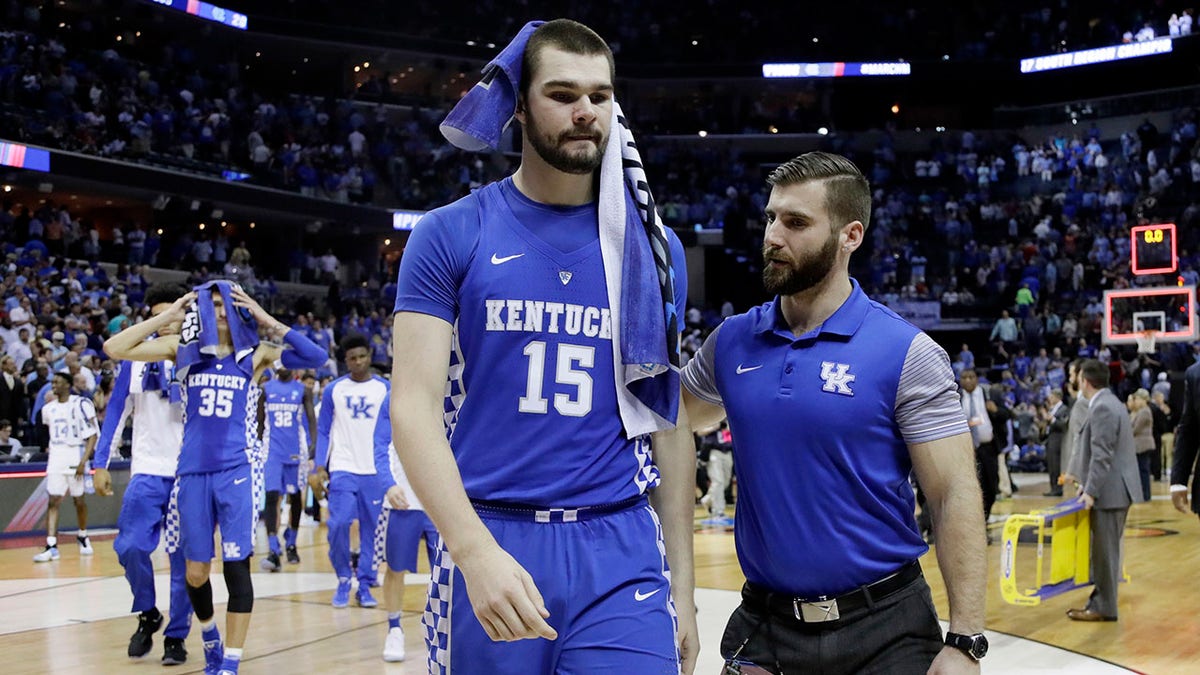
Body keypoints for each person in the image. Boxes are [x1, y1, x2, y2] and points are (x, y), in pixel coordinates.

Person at [390, 18, 698, 674]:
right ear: (519, 109)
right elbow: (412, 407)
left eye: (600, 95)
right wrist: (471, 550)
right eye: (562, 94)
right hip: (493, 531)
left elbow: (667, 423)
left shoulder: (654, 247)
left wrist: (687, 594)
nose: (585, 111)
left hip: (620, 544)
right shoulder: (449, 233)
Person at [680, 152, 988, 673]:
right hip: (765, 624)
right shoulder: (730, 342)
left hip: (886, 628)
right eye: (771, 218)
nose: (773, 236)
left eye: (796, 222)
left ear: (851, 235)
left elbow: (952, 492)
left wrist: (965, 641)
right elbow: (672, 418)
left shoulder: (906, 352)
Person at [104, 280, 327, 675]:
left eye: (228, 305)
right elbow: (115, 348)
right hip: (190, 473)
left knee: (236, 565)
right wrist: (170, 316)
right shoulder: (182, 349)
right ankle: (208, 634)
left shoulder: (255, 354)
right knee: (195, 571)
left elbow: (317, 355)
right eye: (215, 304)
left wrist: (266, 318)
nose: (221, 311)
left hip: (236, 471)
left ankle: (231, 662)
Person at [93, 282, 192, 664]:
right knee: (130, 546)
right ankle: (148, 612)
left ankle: (176, 636)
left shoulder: (204, 355)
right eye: (158, 318)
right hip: (148, 469)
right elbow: (117, 411)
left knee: (184, 559)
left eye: (173, 316)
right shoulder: (135, 359)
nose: (166, 324)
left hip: (191, 474)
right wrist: (101, 462)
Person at [312, 334, 389, 608]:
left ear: (370, 355)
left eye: (362, 356)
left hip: (375, 470)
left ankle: (365, 585)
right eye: (352, 358)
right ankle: (344, 578)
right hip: (343, 467)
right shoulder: (334, 389)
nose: (358, 362)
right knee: (338, 524)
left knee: (372, 533)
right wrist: (319, 465)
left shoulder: (384, 389)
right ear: (345, 361)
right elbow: (322, 430)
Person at [1063, 359, 1142, 621]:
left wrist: (1091, 492)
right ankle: (1100, 601)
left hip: (1110, 493)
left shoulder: (1103, 408)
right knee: (1105, 553)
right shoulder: (1112, 402)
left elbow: (1102, 455)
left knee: (1105, 554)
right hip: (1116, 490)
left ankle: (1104, 607)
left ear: (1084, 380)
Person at [372, 390, 440, 662]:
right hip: (404, 501)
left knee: (447, 571)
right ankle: (394, 628)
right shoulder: (395, 395)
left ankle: (440, 629)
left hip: (442, 502)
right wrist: (388, 483)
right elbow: (380, 443)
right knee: (395, 569)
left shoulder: (458, 383)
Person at [33, 372, 99, 562]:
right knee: (53, 500)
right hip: (56, 455)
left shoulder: (79, 404)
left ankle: (83, 534)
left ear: (68, 385)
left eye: (58, 382)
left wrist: (84, 461)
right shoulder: (48, 409)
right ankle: (51, 544)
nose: (54, 385)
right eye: (53, 382)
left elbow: (92, 435)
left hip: (75, 453)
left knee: (79, 500)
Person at [259, 366, 316, 571]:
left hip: (295, 452)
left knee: (295, 498)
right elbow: (260, 422)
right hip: (272, 451)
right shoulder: (266, 389)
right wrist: (257, 446)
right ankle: (273, 549)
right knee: (272, 496)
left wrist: (312, 449)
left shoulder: (303, 390)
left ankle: (291, 543)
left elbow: (311, 420)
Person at [1041, 389, 1070, 497]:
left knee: (1056, 465)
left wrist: (1052, 420)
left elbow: (1063, 425)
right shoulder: (1052, 409)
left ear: (1058, 397)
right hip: (1050, 439)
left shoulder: (1064, 409)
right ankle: (1053, 487)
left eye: (1051, 397)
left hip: (1057, 440)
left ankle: (1058, 488)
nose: (1050, 399)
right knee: (1051, 465)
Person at [1129, 389, 1155, 501]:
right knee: (1141, 470)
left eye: (1138, 398)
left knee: (1143, 471)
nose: (1136, 401)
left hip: (1143, 445)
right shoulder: (1140, 411)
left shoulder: (1145, 412)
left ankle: (1145, 495)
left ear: (1144, 399)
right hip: (1140, 445)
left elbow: (1135, 429)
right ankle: (1143, 494)